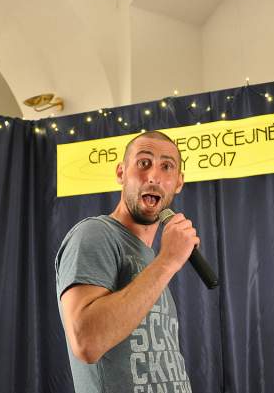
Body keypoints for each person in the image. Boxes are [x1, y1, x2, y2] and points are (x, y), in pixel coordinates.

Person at [55, 130, 197, 393]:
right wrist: (168, 261)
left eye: (167, 167)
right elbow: (86, 343)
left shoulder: (151, 258)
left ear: (178, 182)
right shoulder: (94, 234)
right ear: (121, 173)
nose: (153, 176)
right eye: (144, 163)